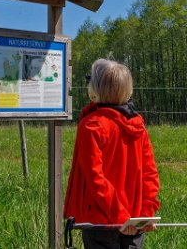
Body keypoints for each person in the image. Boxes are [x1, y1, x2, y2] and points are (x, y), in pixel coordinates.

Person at [64, 58, 160, 249]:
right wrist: (144, 214)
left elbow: (95, 179)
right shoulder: (137, 124)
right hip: (134, 220)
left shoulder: (91, 125)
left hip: (101, 220)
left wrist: (121, 217)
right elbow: (150, 175)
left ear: (95, 89)